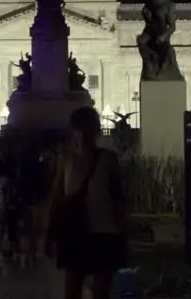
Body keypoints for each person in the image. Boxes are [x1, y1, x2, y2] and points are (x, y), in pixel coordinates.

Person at [45, 107, 127, 299]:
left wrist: (123, 231)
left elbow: (118, 198)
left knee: (101, 292)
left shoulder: (108, 159)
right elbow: (56, 199)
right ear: (74, 131)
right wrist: (49, 235)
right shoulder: (66, 160)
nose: (83, 135)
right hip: (74, 232)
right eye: (79, 129)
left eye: (88, 129)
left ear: (96, 130)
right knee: (72, 290)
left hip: (104, 232)